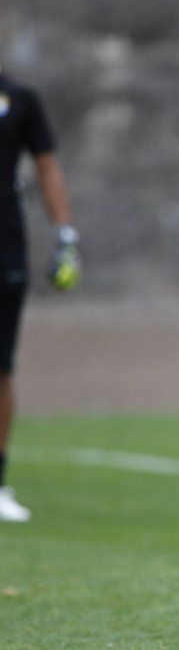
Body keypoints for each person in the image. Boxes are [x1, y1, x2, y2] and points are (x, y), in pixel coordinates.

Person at [0, 63, 80, 523]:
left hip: (5, 250)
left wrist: (65, 234)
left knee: (1, 367)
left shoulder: (19, 98)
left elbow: (46, 164)